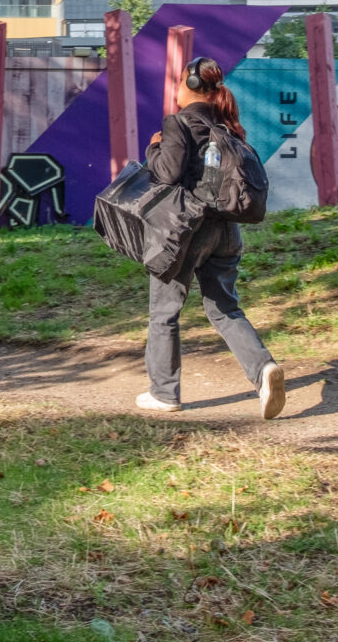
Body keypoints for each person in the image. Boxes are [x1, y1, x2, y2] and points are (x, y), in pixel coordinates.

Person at [136, 57, 284, 419]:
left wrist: (154, 147)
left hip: (186, 231)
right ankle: (263, 370)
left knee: (164, 313)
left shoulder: (179, 122)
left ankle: (164, 392)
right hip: (226, 231)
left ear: (187, 85)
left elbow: (168, 174)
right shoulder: (226, 127)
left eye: (177, 82)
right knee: (225, 309)